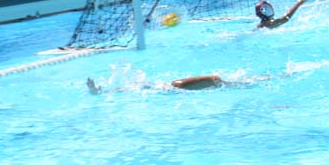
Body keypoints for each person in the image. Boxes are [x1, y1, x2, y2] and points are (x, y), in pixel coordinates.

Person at [87, 75, 236, 94]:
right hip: (173, 87)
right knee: (215, 80)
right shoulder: (178, 87)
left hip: (167, 86)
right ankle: (100, 91)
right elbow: (214, 79)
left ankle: (101, 91)